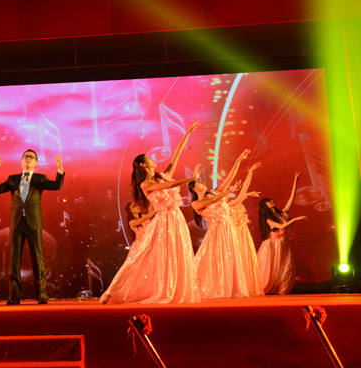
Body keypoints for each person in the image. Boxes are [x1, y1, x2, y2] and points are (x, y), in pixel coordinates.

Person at [101, 121, 203, 304]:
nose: (152, 158)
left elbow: (175, 156)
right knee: (148, 255)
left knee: (177, 254)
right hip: (163, 222)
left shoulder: (161, 176)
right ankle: (116, 291)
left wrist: (187, 133)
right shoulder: (146, 184)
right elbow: (170, 185)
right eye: (148, 158)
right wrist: (191, 178)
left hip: (176, 219)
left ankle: (173, 289)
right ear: (142, 164)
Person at [0, 149, 64, 305]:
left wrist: (59, 169)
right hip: (17, 223)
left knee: (38, 258)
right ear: (21, 161)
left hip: (33, 222)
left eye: (31, 157)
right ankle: (13, 296)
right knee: (14, 260)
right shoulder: (13, 179)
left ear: (36, 162)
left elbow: (57, 185)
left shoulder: (39, 178)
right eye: (25, 157)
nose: (28, 159)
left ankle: (42, 294)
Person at [189, 149, 250, 299]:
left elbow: (229, 178)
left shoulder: (214, 193)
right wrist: (228, 192)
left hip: (228, 228)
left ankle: (229, 287)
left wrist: (238, 160)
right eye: (199, 182)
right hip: (217, 231)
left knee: (230, 256)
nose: (203, 183)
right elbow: (212, 201)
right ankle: (216, 287)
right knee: (216, 259)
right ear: (195, 188)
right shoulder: (196, 204)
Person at [257, 172, 306, 295]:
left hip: (283, 243)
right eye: (269, 201)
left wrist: (295, 181)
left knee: (284, 266)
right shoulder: (267, 219)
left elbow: (291, 198)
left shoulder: (282, 213)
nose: (272, 201)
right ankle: (268, 287)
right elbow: (281, 226)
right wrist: (295, 219)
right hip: (273, 244)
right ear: (265, 206)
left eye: (271, 200)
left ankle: (281, 287)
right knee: (273, 267)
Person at [227, 162, 264, 296]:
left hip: (243, 233)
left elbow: (244, 189)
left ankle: (245, 287)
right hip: (232, 235)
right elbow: (244, 194)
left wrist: (251, 172)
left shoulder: (235, 202)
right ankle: (233, 287)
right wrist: (246, 194)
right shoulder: (224, 206)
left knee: (245, 258)